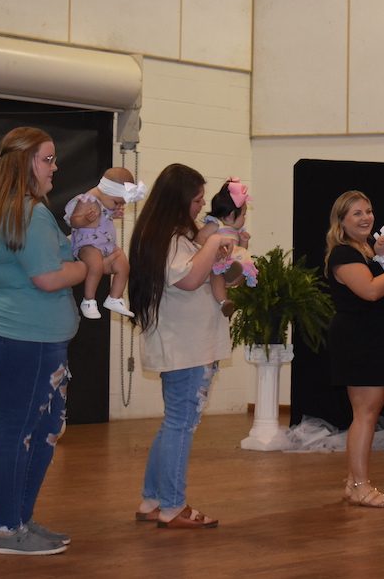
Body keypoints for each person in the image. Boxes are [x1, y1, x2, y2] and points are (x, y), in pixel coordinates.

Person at [0, 126, 88, 555]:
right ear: (24, 163)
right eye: (47, 159)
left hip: (7, 332)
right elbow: (48, 277)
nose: (54, 167)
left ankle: (18, 520)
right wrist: (93, 267)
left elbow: (36, 263)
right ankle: (6, 531)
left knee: (41, 428)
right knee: (18, 431)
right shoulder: (29, 212)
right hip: (25, 338)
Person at [129, 164, 234, 529]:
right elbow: (188, 279)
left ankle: (153, 500)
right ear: (178, 200)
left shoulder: (175, 237)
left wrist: (220, 253)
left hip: (188, 346)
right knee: (181, 424)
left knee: (175, 422)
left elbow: (203, 274)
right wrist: (216, 240)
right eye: (197, 199)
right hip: (186, 348)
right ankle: (173, 506)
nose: (202, 206)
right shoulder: (169, 239)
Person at [324, 191, 384, 508]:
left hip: (377, 338)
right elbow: (370, 291)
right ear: (341, 221)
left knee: (367, 414)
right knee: (365, 415)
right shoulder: (343, 254)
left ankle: (353, 482)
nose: (366, 217)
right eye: (357, 213)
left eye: (368, 211)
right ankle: (361, 486)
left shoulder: (369, 248)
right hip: (361, 341)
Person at [63, 167, 146, 319]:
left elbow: (104, 215)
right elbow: (74, 221)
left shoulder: (105, 201)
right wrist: (84, 219)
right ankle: (89, 300)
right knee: (96, 266)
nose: (118, 207)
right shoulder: (87, 200)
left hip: (106, 244)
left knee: (124, 265)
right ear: (107, 191)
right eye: (116, 203)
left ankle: (115, 297)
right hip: (88, 244)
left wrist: (112, 212)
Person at [194, 178, 257, 317]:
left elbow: (241, 251)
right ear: (231, 215)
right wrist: (214, 248)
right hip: (217, 262)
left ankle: (230, 276)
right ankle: (224, 301)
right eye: (244, 215)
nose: (244, 218)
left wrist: (243, 241)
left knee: (238, 269)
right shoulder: (215, 225)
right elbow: (199, 238)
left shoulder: (237, 232)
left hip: (230, 262)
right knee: (217, 276)